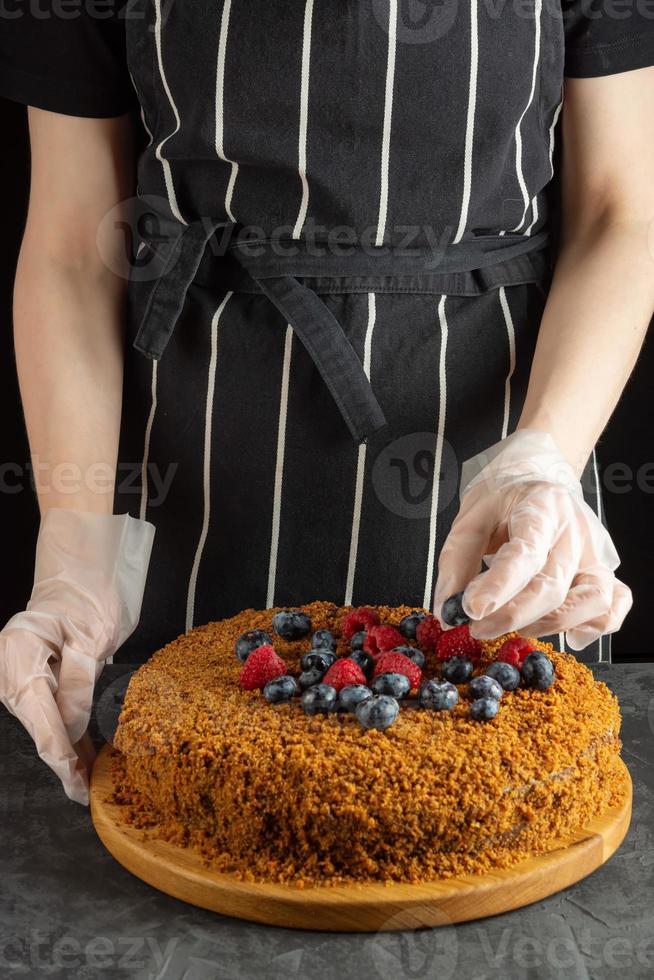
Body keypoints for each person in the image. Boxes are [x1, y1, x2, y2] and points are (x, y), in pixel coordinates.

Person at [0, 1, 652, 804]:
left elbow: (620, 214)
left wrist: (545, 453)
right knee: (200, 829)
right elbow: (74, 247)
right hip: (199, 469)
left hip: (497, 459)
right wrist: (75, 549)